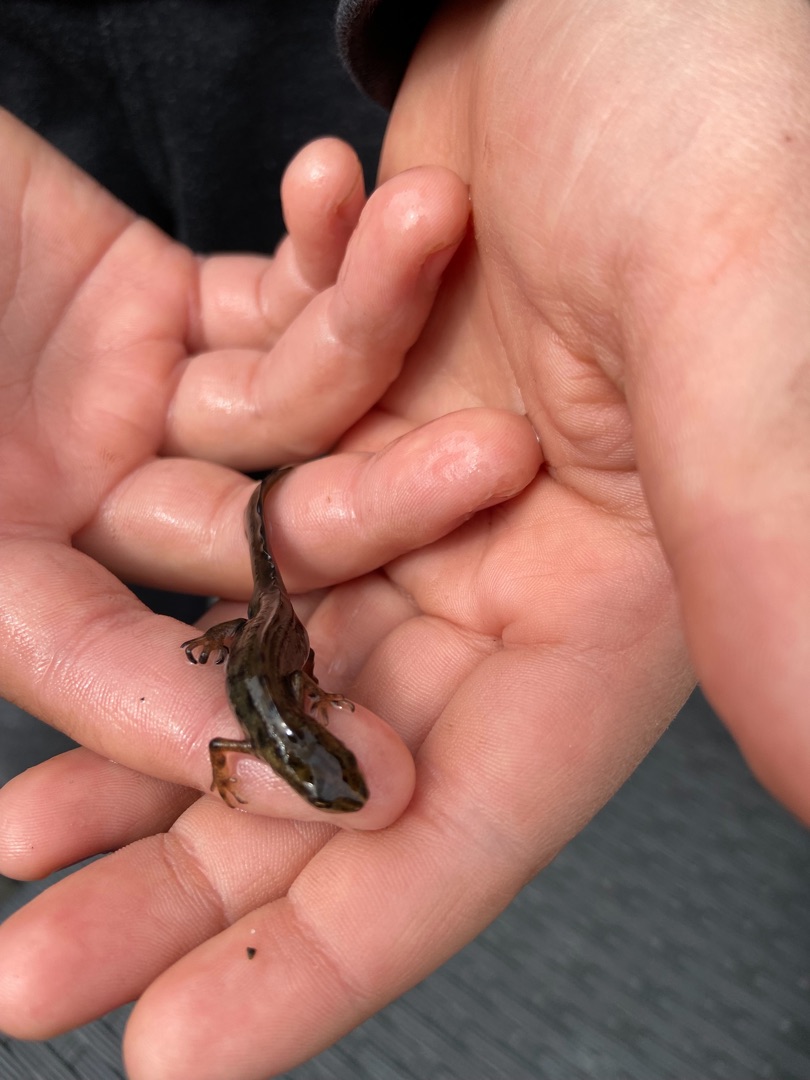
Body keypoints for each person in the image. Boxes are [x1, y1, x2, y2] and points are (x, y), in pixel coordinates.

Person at [0, 2, 808, 1079]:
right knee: (194, 560)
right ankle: (238, 547)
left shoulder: (270, 732)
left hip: (328, 103)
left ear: (315, 754)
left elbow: (240, 739)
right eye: (333, 774)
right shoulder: (273, 733)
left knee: (241, 534)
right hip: (53, 130)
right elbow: (240, 738)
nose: (332, 771)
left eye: (327, 773)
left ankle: (258, 515)